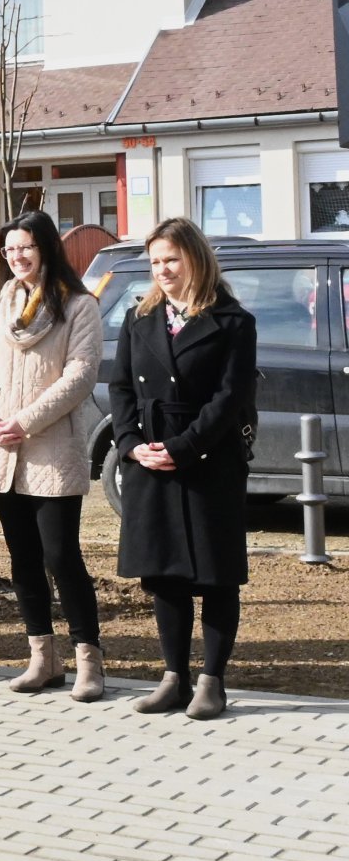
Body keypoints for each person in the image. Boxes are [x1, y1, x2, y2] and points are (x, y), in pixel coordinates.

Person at [109, 218, 257, 720]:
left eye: (171, 259)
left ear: (195, 257)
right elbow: (121, 387)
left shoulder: (233, 321)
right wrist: (131, 445)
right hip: (151, 459)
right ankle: (174, 677)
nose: (162, 269)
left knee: (216, 575)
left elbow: (230, 396)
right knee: (165, 573)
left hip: (209, 460)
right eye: (155, 261)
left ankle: (212, 681)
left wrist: (184, 447)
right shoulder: (139, 318)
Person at [0, 209, 107, 702]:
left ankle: (89, 659)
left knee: (62, 556)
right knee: (22, 557)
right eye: (9, 250)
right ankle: (43, 658)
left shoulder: (78, 305)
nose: (16, 257)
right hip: (1, 451)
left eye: (25, 246)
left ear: (45, 247)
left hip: (52, 450)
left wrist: (24, 421)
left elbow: (81, 375)